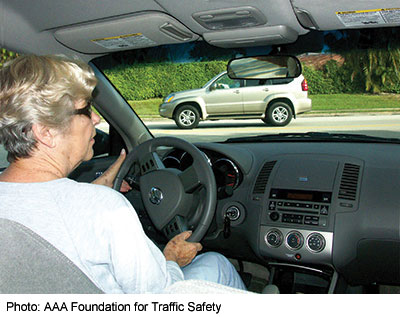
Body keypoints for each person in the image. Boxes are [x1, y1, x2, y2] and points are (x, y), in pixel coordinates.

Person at [0, 55, 246, 293]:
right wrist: (170, 260)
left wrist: (95, 191)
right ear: (45, 132)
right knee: (218, 264)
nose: (96, 119)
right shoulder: (104, 208)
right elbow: (157, 295)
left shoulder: (92, 203)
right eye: (85, 110)